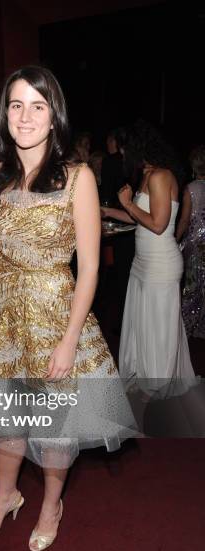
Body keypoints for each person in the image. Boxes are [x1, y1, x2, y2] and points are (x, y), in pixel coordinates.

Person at [0, 66, 137, 551]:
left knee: (52, 421)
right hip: (0, 315)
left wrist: (69, 340)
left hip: (56, 316)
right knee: (5, 416)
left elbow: (89, 269)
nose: (25, 116)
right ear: (5, 114)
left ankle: (51, 505)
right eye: (16, 105)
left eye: (37, 105)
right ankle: (6, 496)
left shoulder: (78, 178)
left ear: (54, 116)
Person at [101, 120, 196, 396]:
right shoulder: (146, 175)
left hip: (161, 263)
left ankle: (159, 384)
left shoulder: (160, 176)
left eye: (125, 150)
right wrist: (107, 212)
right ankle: (144, 375)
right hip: (142, 262)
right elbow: (138, 220)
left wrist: (129, 204)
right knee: (142, 323)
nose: (122, 156)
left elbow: (157, 224)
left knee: (158, 328)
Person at [176, 145, 205, 338]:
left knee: (192, 284)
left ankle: (188, 327)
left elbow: (185, 220)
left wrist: (174, 239)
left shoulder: (190, 189)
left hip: (195, 243)